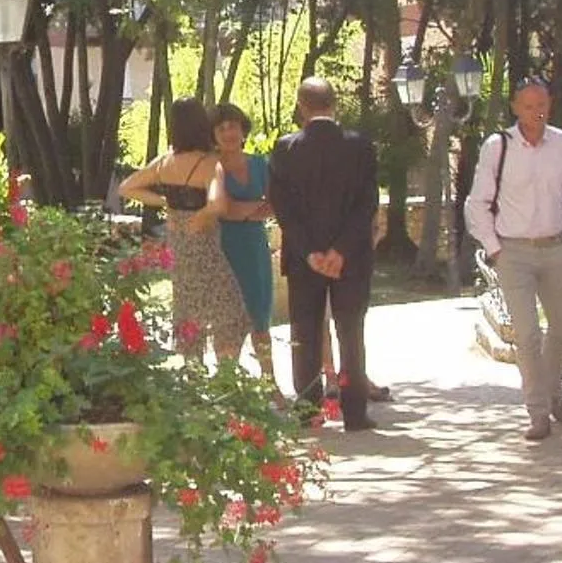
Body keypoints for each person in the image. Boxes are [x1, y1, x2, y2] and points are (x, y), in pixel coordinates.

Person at [466, 77, 562, 441]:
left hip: (556, 248)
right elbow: (477, 202)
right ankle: (538, 412)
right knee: (527, 334)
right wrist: (493, 247)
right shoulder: (498, 146)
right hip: (513, 251)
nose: (536, 112)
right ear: (515, 107)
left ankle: (553, 395)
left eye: (542, 104)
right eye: (528, 105)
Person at [268, 78, 382, 432]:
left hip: (304, 261)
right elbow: (367, 204)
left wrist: (310, 253)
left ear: (302, 107)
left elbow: (283, 208)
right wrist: (341, 250)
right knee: (350, 332)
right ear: (335, 104)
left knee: (305, 333)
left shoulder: (285, 149)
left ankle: (308, 411)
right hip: (352, 259)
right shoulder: (360, 146)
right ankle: (355, 412)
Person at [119, 98, 250, 365]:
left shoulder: (164, 162)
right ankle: (226, 374)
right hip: (205, 249)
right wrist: (202, 214)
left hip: (178, 247)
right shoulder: (210, 163)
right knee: (230, 313)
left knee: (188, 313)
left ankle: (193, 373)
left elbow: (127, 187)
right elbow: (218, 203)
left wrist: (163, 201)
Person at [205, 102, 280, 377]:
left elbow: (276, 204)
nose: (229, 133)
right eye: (221, 128)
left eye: (233, 126)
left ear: (243, 130)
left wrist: (241, 210)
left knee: (260, 318)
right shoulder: (211, 167)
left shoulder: (260, 164)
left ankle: (269, 382)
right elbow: (224, 209)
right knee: (227, 320)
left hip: (255, 248)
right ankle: (228, 381)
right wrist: (254, 208)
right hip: (223, 248)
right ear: (213, 135)